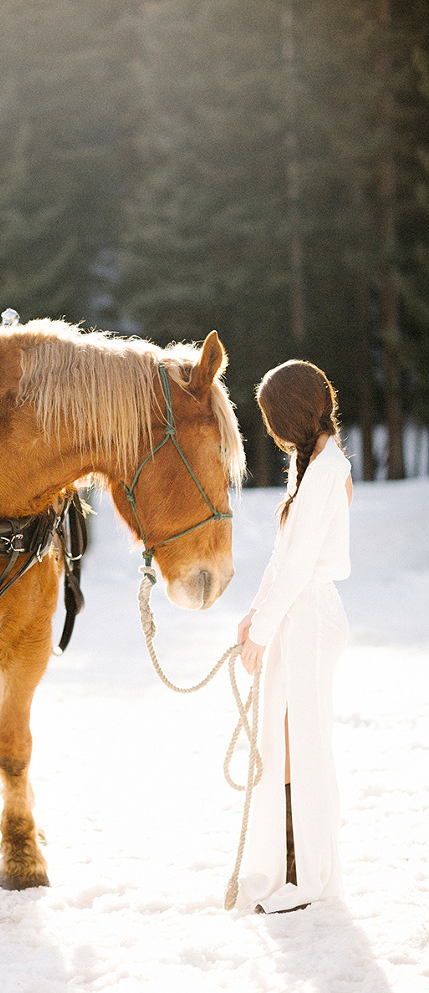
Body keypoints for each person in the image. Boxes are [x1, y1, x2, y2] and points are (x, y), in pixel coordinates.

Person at [236, 359, 352, 915]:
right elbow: (283, 558)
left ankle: (304, 873)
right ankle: (289, 866)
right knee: (282, 741)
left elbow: (302, 563)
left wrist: (263, 629)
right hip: (294, 613)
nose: (272, 432)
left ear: (292, 415)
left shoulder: (327, 470)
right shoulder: (310, 466)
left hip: (308, 618)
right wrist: (255, 613)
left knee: (298, 741)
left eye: (272, 418)